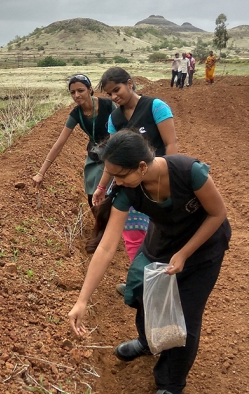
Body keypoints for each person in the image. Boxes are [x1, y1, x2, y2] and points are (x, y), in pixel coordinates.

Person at [68, 130, 231, 394]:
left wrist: (185, 253)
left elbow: (217, 214)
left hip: (204, 247)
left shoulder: (190, 172)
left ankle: (170, 383)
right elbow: (107, 247)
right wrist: (82, 300)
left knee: (185, 319)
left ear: (142, 166)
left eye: (121, 175)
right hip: (163, 242)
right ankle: (147, 341)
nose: (117, 182)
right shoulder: (127, 191)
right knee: (142, 292)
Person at [91, 67, 178, 295]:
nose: (114, 97)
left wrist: (169, 177)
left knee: (158, 232)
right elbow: (112, 158)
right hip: (130, 185)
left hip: (156, 182)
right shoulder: (114, 118)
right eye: (109, 94)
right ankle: (141, 281)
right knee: (132, 234)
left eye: (117, 90)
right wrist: (102, 187)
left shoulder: (155, 107)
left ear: (130, 83)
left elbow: (170, 144)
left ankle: (163, 280)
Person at [32, 74, 117, 208]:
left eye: (80, 90)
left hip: (115, 151)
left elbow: (123, 128)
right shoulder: (76, 114)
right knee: (92, 199)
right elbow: (59, 143)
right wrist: (40, 173)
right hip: (95, 154)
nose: (76, 95)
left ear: (90, 89)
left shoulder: (108, 105)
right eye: (73, 92)